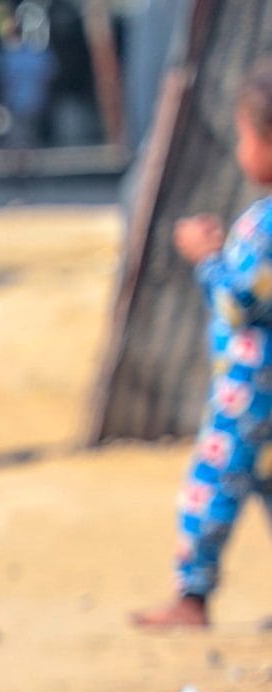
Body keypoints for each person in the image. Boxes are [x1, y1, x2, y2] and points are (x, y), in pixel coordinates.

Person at [132, 57, 272, 630]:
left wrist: (209, 260)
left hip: (249, 392)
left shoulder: (266, 225)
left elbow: (243, 305)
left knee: (209, 491)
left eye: (244, 134)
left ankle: (192, 597)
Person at [0, 15, 56, 176]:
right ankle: (28, 169)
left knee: (15, 138)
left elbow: (3, 81)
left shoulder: (9, 56)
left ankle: (16, 170)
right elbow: (47, 79)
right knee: (30, 137)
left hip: (15, 102)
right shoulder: (39, 55)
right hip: (34, 101)